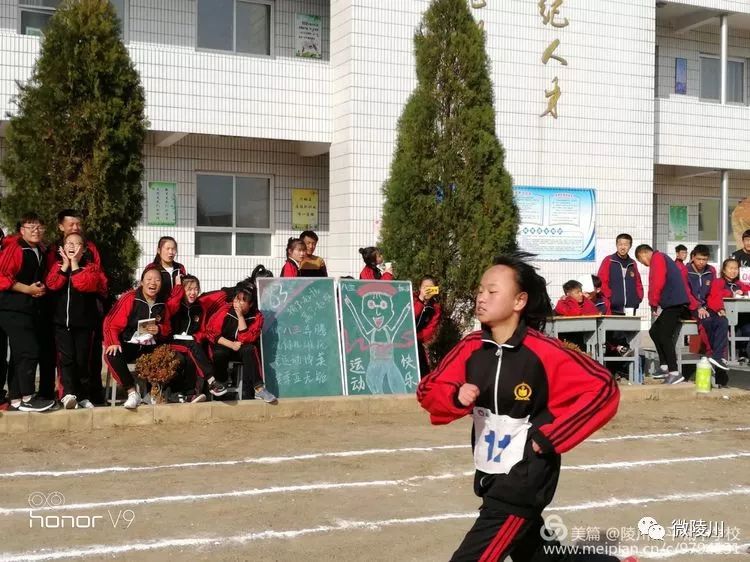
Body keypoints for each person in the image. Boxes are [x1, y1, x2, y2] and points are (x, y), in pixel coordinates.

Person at [417, 253, 620, 561]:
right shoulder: (471, 347)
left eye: (492, 291)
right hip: (489, 475)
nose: (481, 297)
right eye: (480, 290)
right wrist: (455, 396)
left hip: (524, 479)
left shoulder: (544, 352)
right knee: (542, 557)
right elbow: (427, 390)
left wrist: (552, 436)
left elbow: (603, 387)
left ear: (519, 301)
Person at [0, 213, 55, 412]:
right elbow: (2, 277)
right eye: (30, 226)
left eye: (39, 226)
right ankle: (27, 397)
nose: (35, 230)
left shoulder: (40, 249)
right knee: (29, 351)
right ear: (21, 229)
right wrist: (28, 289)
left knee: (19, 354)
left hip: (28, 308)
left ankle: (15, 399)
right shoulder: (15, 247)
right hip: (10, 307)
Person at [46, 233, 107, 409]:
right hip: (61, 325)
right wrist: (65, 266)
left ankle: (82, 395)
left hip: (84, 325)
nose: (73, 247)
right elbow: (52, 285)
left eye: (78, 244)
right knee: (67, 360)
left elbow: (83, 284)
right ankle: (68, 394)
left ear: (85, 250)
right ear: (63, 248)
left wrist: (73, 264)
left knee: (82, 361)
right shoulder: (57, 266)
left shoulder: (91, 268)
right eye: (69, 243)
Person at [103, 268, 172, 409]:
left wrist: (159, 329)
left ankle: (152, 394)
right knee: (112, 353)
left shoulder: (163, 304)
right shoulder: (131, 298)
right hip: (129, 344)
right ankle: (132, 392)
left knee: (170, 356)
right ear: (141, 282)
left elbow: (168, 329)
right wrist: (113, 342)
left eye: (157, 280)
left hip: (149, 346)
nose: (153, 283)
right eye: (149, 279)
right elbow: (111, 323)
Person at [204, 282, 277, 403]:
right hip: (225, 344)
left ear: (251, 304)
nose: (238, 303)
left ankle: (259, 389)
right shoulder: (225, 310)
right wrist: (231, 344)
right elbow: (211, 333)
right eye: (237, 299)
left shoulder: (256, 316)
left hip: (242, 349)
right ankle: (220, 383)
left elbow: (246, 339)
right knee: (219, 353)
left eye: (243, 300)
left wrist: (240, 316)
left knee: (250, 349)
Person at [635, 244, 690, 385]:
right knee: (654, 331)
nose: (644, 264)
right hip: (669, 303)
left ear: (643, 254)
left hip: (674, 303)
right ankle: (664, 366)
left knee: (665, 336)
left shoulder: (657, 258)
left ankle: (674, 372)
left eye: (642, 261)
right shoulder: (661, 258)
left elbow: (656, 282)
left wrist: (653, 303)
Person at [166, 274, 227, 401]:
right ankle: (211, 380)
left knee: (190, 357)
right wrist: (177, 287)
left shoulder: (200, 307)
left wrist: (195, 336)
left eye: (195, 289)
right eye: (189, 289)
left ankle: (189, 394)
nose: (193, 293)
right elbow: (170, 307)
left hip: (190, 343)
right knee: (191, 348)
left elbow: (202, 331)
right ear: (183, 290)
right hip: (172, 341)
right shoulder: (176, 304)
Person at [706, 258, 750, 384]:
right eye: (730, 268)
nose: (733, 271)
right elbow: (716, 295)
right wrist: (730, 295)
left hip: (740, 316)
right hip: (721, 314)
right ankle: (729, 356)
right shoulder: (718, 282)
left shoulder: (739, 284)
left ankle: (743, 353)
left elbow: (747, 289)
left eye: (736, 268)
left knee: (747, 328)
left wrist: (744, 292)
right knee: (733, 328)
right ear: (724, 270)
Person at [597, 233, 643, 315]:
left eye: (626, 244)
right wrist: (610, 298)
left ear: (630, 246)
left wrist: (638, 298)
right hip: (612, 308)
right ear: (616, 245)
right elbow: (601, 282)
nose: (622, 247)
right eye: (620, 244)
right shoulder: (609, 260)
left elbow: (638, 283)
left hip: (630, 308)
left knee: (630, 328)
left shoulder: (632, 263)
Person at [413, 276, 441, 378]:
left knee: (423, 372)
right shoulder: (412, 299)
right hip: (401, 341)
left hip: (417, 342)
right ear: (420, 288)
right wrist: (420, 300)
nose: (427, 290)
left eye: (431, 287)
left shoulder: (435, 308)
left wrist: (414, 337)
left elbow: (430, 329)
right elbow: (410, 316)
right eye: (425, 287)